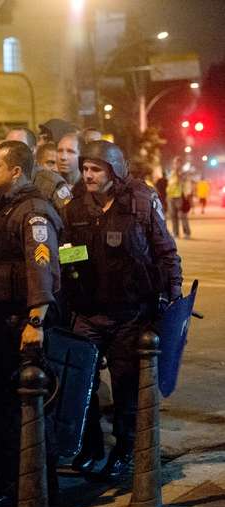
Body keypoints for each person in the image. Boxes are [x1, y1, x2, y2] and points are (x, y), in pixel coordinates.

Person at [61, 140, 182, 480]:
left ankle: (125, 448)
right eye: (85, 169)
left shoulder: (140, 203)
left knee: (125, 386)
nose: (88, 175)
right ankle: (89, 446)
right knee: (81, 381)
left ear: (113, 172)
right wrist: (74, 273)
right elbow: (68, 250)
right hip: (89, 311)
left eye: (96, 169)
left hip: (130, 313)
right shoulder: (76, 208)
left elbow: (165, 252)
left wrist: (172, 299)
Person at [0, 140, 63, 506]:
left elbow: (42, 270)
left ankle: (43, 492)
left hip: (27, 324)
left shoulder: (33, 211)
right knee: (1, 405)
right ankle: (7, 482)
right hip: (4, 322)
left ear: (16, 171)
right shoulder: (0, 207)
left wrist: (35, 321)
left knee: (36, 407)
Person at [7, 127, 73, 211]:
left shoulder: (51, 183)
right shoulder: (1, 179)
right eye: (7, 146)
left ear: (33, 150)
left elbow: (68, 216)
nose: (10, 152)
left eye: (18, 147)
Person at [166, 156, 191, 238]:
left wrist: (187, 194)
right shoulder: (172, 173)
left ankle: (187, 233)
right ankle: (175, 232)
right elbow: (169, 184)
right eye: (174, 163)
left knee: (182, 215)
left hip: (180, 196)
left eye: (177, 163)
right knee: (173, 216)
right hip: (171, 196)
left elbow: (185, 182)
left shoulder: (183, 173)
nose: (175, 164)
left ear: (180, 163)